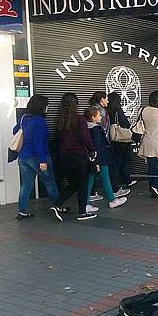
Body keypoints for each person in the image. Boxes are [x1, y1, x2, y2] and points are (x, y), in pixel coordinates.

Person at [12, 95, 61, 221]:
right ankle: (58, 206)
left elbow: (15, 131)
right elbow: (38, 142)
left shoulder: (24, 118)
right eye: (47, 105)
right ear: (42, 106)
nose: (48, 107)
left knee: (26, 185)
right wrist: (42, 161)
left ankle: (22, 211)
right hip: (37, 157)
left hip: (23, 157)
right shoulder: (39, 121)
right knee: (49, 181)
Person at [53, 93, 97, 221]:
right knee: (82, 183)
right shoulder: (79, 119)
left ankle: (57, 204)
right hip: (78, 156)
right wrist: (92, 149)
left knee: (72, 183)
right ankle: (82, 212)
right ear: (75, 104)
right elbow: (85, 137)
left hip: (64, 156)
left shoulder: (60, 120)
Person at [85, 106, 128, 209]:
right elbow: (97, 146)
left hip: (92, 159)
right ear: (93, 117)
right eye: (99, 115)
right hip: (100, 158)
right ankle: (112, 200)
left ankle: (86, 203)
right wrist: (97, 160)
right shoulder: (95, 129)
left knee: (91, 179)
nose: (100, 117)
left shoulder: (85, 127)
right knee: (104, 177)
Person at [138, 90, 158, 197]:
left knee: (151, 166)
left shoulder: (143, 110)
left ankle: (152, 187)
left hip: (147, 141)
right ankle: (154, 186)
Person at [106, 92, 137, 191]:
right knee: (118, 164)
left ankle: (127, 180)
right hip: (121, 141)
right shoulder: (118, 111)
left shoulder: (106, 111)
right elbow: (126, 124)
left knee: (119, 163)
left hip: (112, 141)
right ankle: (114, 187)